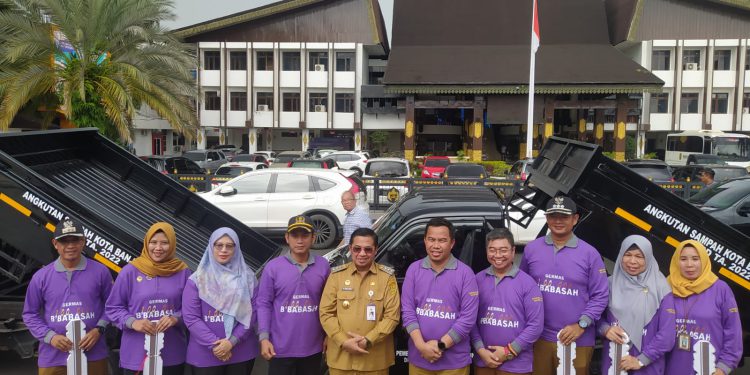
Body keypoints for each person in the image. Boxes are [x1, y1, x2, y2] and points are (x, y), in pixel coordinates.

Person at [519, 195, 609, 375]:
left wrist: (581, 324)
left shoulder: (590, 254)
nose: (558, 221)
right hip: (539, 338)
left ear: (575, 219)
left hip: (577, 338)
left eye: (564, 216)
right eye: (553, 216)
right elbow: (522, 288)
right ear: (546, 218)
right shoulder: (532, 249)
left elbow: (600, 295)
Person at [22, 218, 113, 375]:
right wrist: (51, 337)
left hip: (93, 354)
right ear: (55, 244)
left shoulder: (100, 271)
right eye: (64, 241)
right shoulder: (41, 277)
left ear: (83, 242)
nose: (70, 246)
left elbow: (112, 305)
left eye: (75, 240)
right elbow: (30, 314)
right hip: (53, 356)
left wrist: (99, 329)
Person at [106, 222, 191, 375]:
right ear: (146, 243)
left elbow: (192, 309)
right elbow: (113, 307)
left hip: (172, 354)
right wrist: (133, 322)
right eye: (153, 242)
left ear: (172, 244)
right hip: (136, 355)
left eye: (164, 243)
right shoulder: (130, 271)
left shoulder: (183, 272)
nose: (158, 248)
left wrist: (176, 318)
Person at [401, 218, 479, 375]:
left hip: (454, 364)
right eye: (431, 239)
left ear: (452, 243)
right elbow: (408, 312)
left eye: (442, 240)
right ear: (424, 241)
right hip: (419, 359)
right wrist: (421, 346)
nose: (435, 246)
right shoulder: (413, 270)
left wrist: (440, 345)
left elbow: (467, 319)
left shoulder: (465, 274)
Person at [319, 228, 401, 375]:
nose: (362, 253)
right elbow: (325, 313)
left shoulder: (387, 277)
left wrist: (368, 340)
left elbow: (392, 316)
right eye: (357, 249)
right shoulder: (336, 276)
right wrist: (343, 341)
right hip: (341, 358)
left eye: (368, 249)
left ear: (376, 250)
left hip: (374, 360)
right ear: (350, 248)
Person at [256, 215, 331, 375]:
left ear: (313, 238)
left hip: (313, 348)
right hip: (280, 348)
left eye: (304, 235)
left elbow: (329, 305)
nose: (300, 240)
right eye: (295, 235)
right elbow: (263, 304)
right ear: (287, 238)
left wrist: (329, 336)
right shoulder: (273, 267)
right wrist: (264, 338)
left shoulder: (323, 266)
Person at [182, 227, 259, 374]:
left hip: (241, 352)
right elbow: (191, 318)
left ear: (236, 249)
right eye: (219, 245)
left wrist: (232, 341)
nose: (224, 250)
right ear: (211, 247)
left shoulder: (248, 278)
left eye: (229, 246)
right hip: (205, 353)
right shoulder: (197, 280)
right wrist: (216, 345)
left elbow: (253, 313)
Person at [598, 235, 675, 375]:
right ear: (621, 256)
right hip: (614, 362)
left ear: (649, 258)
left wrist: (640, 360)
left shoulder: (661, 288)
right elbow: (596, 317)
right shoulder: (609, 284)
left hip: (648, 366)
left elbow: (667, 335)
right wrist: (605, 329)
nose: (632, 261)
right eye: (627, 255)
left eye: (639, 256)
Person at [470, 228, 543, 375]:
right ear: (486, 251)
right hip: (484, 361)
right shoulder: (477, 280)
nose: (497, 255)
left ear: (513, 251)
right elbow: (470, 320)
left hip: (516, 365)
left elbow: (535, 326)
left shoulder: (527, 283)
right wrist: (480, 350)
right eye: (492, 250)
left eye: (503, 250)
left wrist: (508, 351)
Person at [665, 240, 742, 375]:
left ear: (704, 260)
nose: (689, 265)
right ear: (676, 261)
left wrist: (723, 368)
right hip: (670, 369)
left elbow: (733, 332)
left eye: (696, 259)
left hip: (709, 370)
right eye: (683, 259)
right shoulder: (665, 287)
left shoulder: (720, 289)